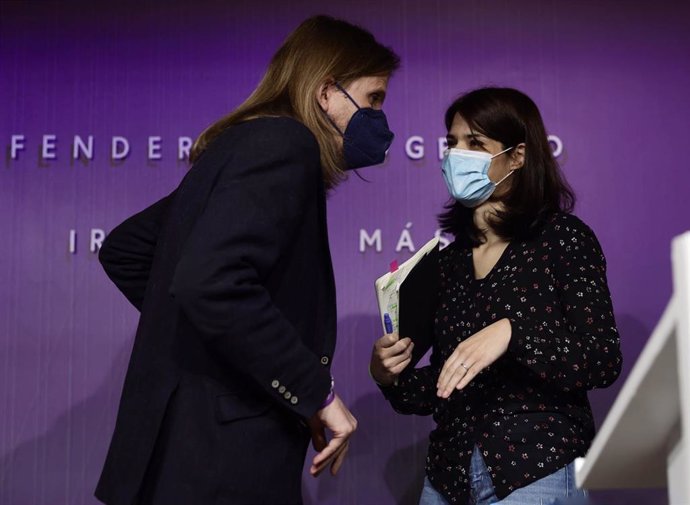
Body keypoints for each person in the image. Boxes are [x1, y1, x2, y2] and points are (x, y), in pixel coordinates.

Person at [95, 16, 399, 505]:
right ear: (326, 93)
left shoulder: (240, 144)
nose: (380, 118)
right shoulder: (284, 144)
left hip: (181, 457)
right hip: (220, 459)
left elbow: (129, 250)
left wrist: (210, 338)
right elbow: (209, 282)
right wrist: (315, 392)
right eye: (374, 98)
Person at [370, 87, 622, 505]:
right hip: (447, 479)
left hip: (534, 470)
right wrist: (387, 376)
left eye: (475, 143)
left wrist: (513, 332)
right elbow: (441, 383)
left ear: (517, 156)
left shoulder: (563, 240)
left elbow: (601, 358)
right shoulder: (447, 263)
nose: (456, 155)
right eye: (452, 143)